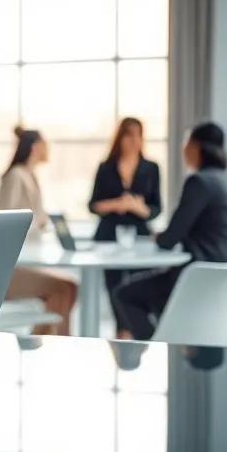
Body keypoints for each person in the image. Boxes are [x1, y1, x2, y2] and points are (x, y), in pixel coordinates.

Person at [111, 122, 227, 341]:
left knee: (125, 294)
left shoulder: (199, 182)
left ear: (197, 147)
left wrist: (160, 237)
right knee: (154, 291)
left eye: (187, 142)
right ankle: (178, 342)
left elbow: (169, 239)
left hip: (202, 276)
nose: (184, 149)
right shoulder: (226, 182)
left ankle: (159, 346)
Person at [0, 127, 77, 335]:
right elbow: (7, 221)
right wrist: (37, 224)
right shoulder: (15, 176)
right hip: (12, 267)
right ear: (34, 147)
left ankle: (42, 345)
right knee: (63, 288)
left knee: (69, 287)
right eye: (44, 145)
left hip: (30, 259)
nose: (47, 149)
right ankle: (54, 347)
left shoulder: (30, 175)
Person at [89, 117, 163, 337]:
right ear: (120, 138)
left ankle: (138, 336)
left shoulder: (151, 168)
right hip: (108, 238)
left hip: (140, 237)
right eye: (128, 135)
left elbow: (156, 208)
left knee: (139, 288)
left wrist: (137, 207)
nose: (133, 140)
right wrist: (117, 204)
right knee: (114, 289)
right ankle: (121, 334)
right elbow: (93, 205)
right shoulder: (105, 168)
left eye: (138, 135)